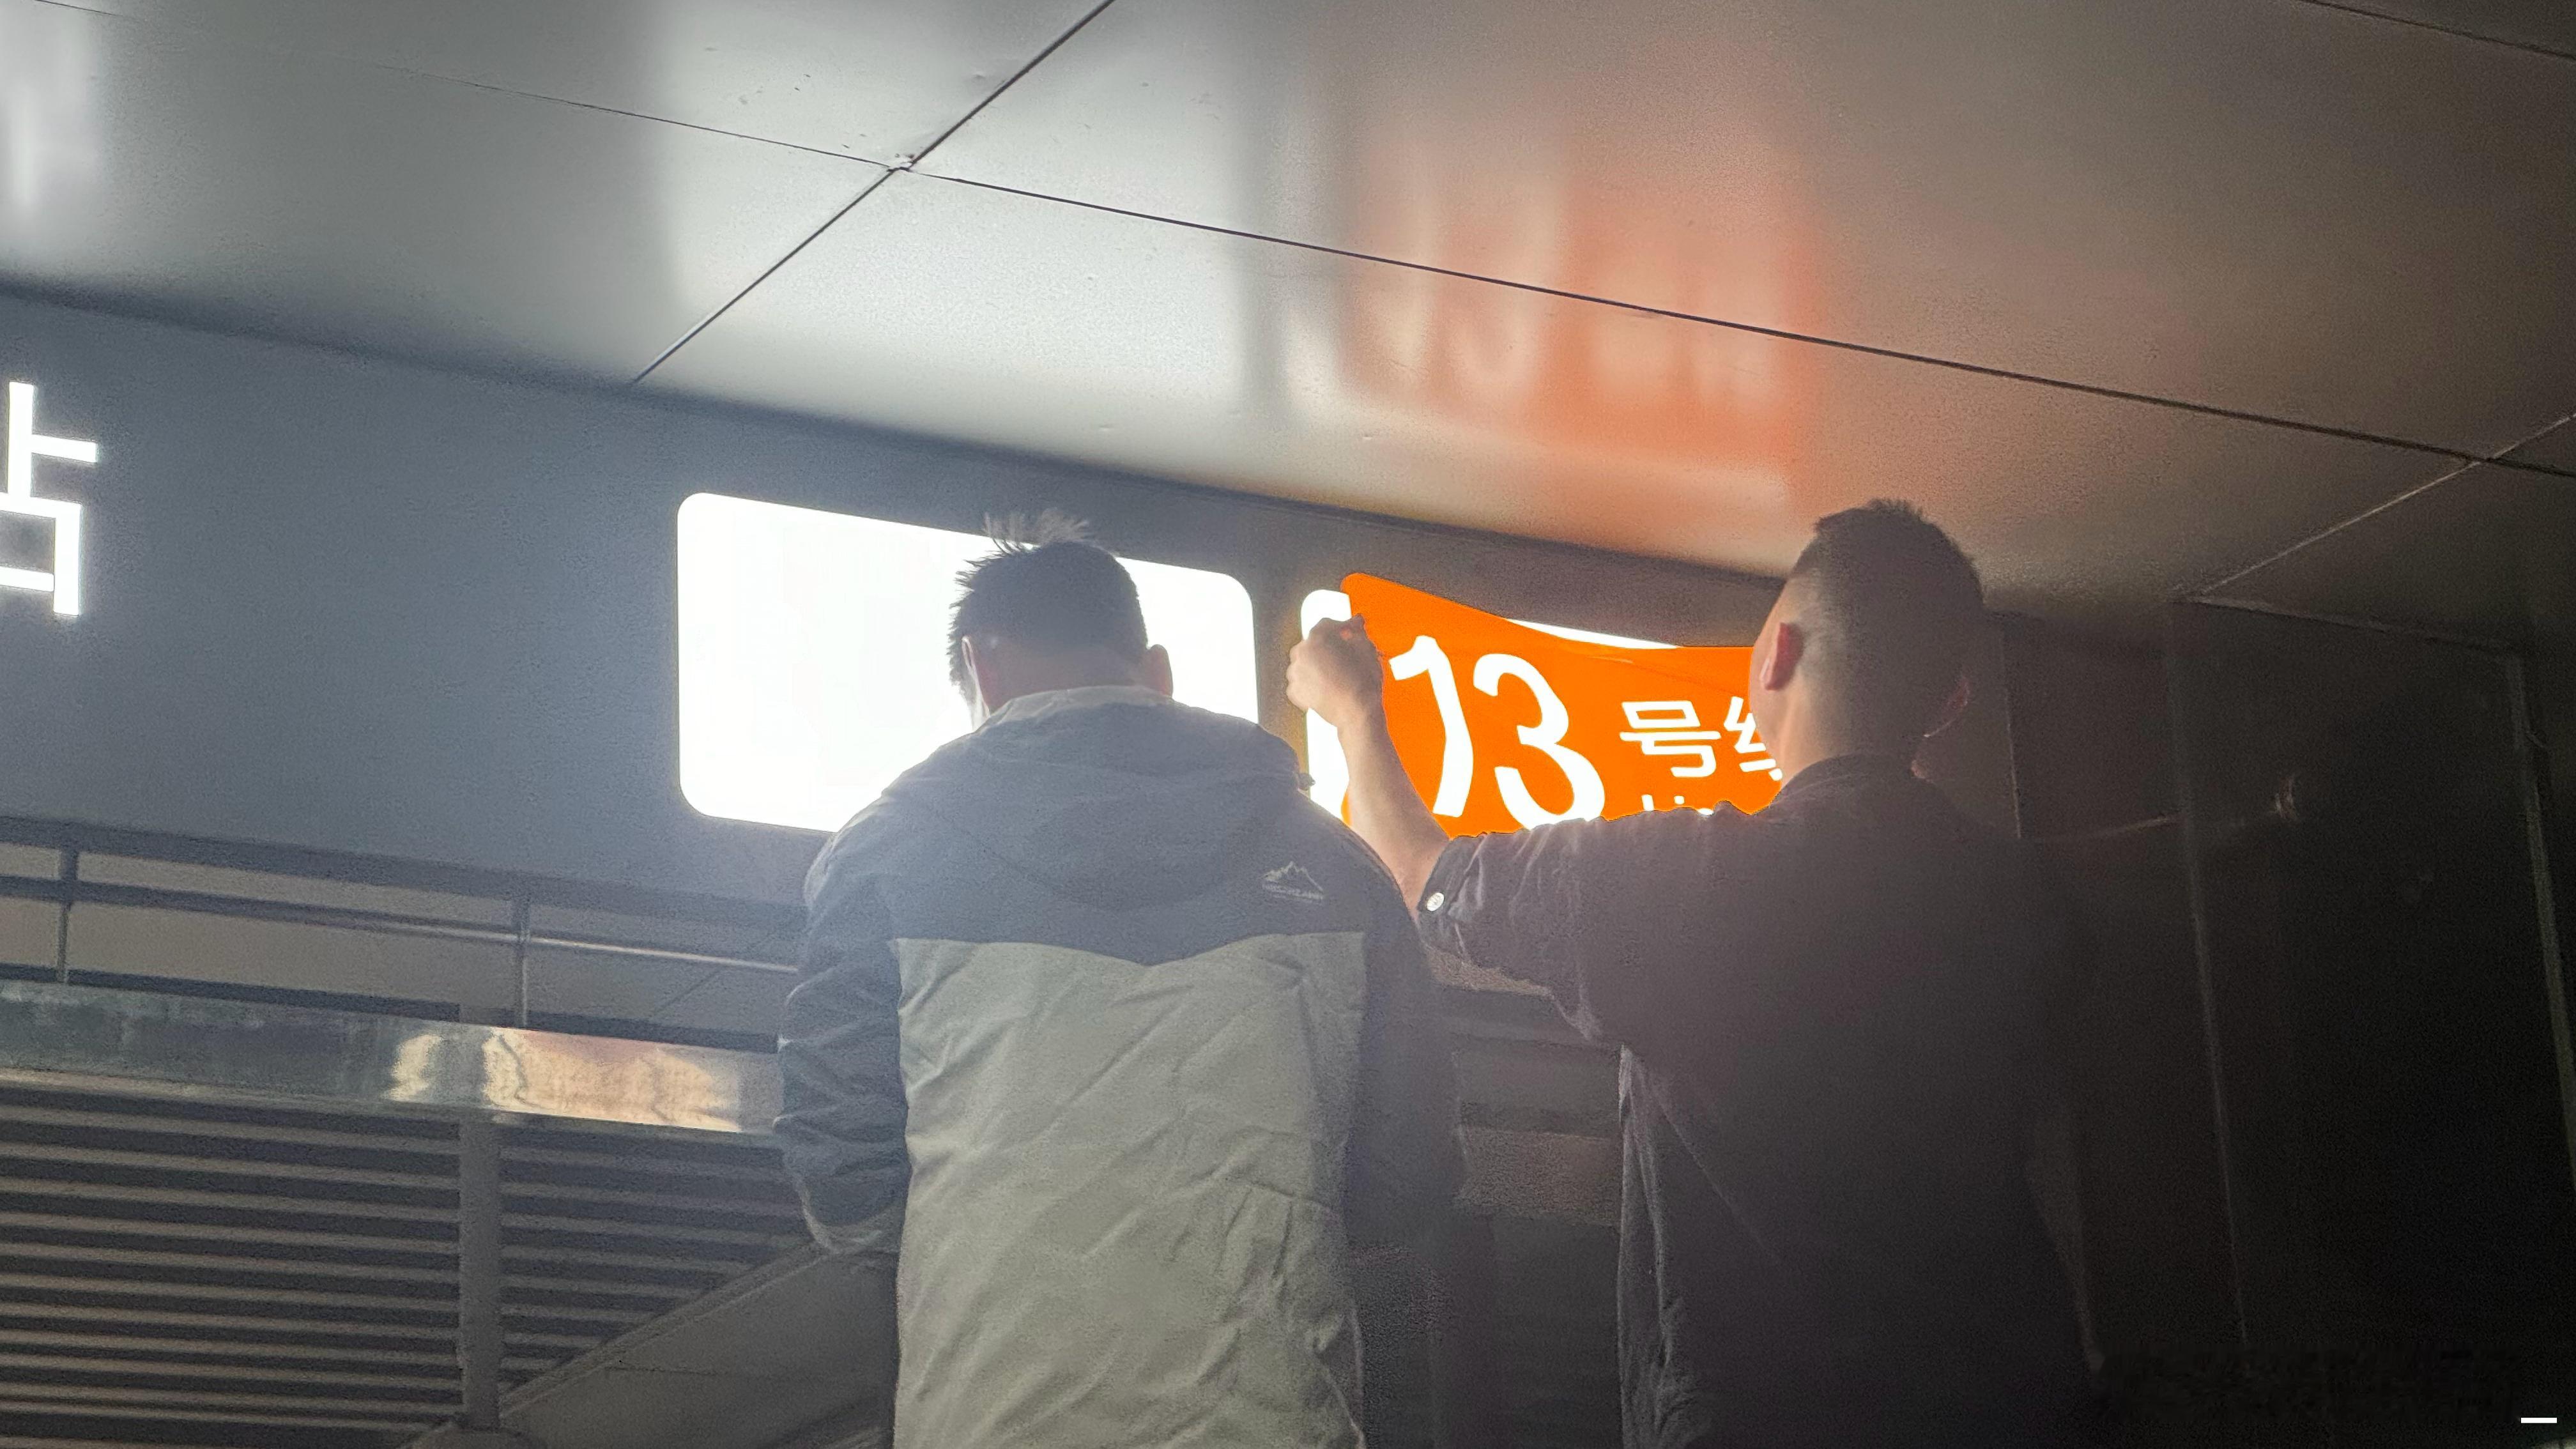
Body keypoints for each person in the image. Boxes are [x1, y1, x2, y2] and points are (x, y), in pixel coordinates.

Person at [1289, 500, 2092, 1447]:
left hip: (1774, 1414)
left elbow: (1427, 876)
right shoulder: (2027, 897)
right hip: (2013, 1398)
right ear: (1950, 703)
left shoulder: (1700, 876)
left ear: (1776, 655)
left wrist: (1353, 710)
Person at [778, 519, 1462, 1449]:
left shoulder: (881, 861)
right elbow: (1409, 1176)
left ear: (983, 669)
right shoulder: (1337, 868)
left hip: (991, 1418)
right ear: (1158, 672)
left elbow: (843, 1171)